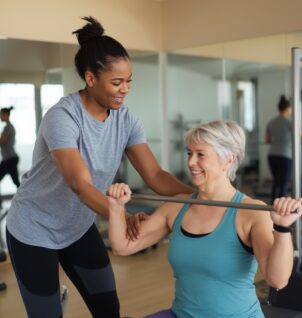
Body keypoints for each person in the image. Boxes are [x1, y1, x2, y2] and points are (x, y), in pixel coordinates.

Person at [5, 16, 193, 318]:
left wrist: (201, 196)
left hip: (78, 228)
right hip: (33, 229)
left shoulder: (126, 120)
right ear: (90, 78)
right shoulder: (63, 117)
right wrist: (119, 214)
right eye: (116, 82)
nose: (125, 89)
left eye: (129, 81)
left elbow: (156, 175)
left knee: (108, 309)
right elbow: (80, 184)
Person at [108, 120, 302, 318]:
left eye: (200, 154)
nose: (191, 162)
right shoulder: (177, 206)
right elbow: (123, 246)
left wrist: (282, 227)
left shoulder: (251, 212)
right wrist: (116, 207)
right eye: (189, 153)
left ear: (228, 160)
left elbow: (277, 280)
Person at [266, 95, 292, 202]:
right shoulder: (290, 122)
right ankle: (281, 208)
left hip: (272, 155)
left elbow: (267, 140)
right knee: (284, 182)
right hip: (285, 155)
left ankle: (272, 205)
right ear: (288, 108)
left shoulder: (271, 122)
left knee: (276, 181)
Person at [0, 106, 20, 207]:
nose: (0, 116)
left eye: (1, 114)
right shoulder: (8, 127)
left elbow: (2, 141)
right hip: (8, 159)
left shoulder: (8, 127)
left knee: (16, 182)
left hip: (10, 159)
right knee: (16, 182)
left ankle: (24, 201)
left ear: (6, 115)